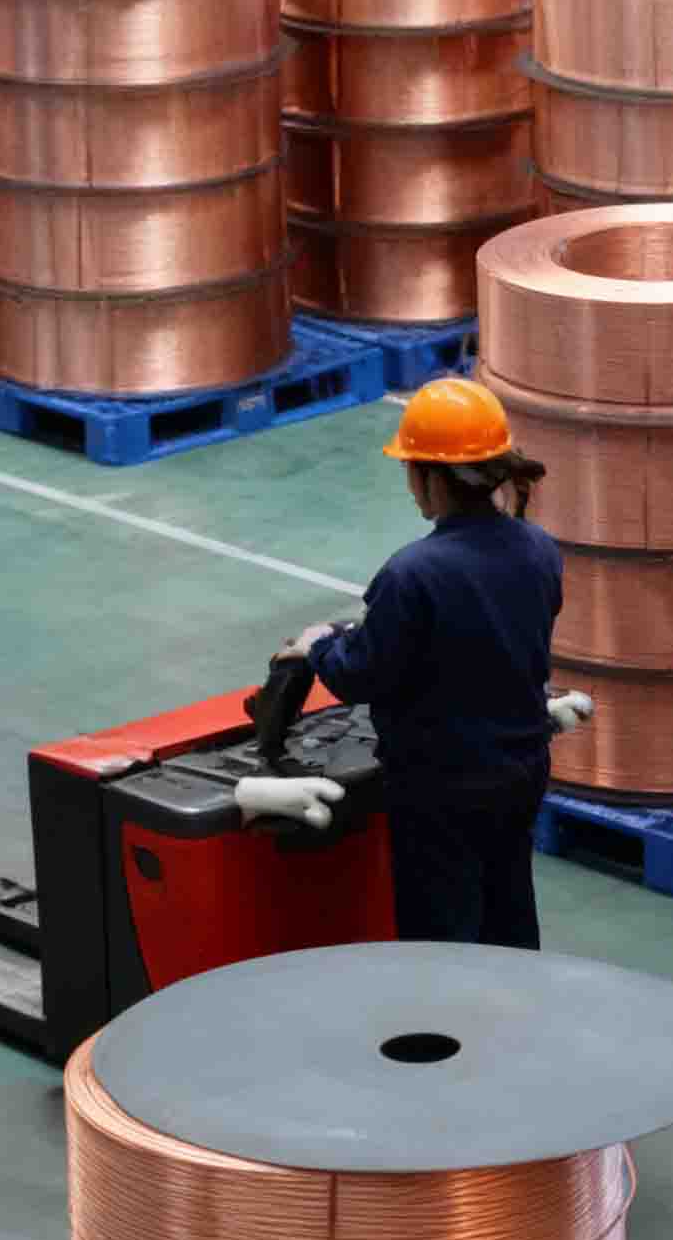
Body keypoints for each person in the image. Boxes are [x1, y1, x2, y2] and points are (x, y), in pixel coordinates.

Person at [242, 376, 587, 950]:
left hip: (442, 785)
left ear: (434, 476)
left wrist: (319, 645)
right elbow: (487, 635)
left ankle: (448, 1010)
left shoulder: (413, 573)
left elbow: (361, 674)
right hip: (521, 769)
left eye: (410, 470)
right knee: (508, 911)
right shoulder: (539, 549)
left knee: (442, 934)